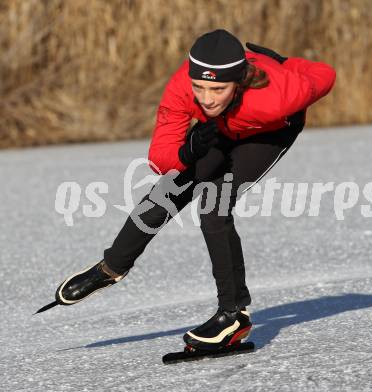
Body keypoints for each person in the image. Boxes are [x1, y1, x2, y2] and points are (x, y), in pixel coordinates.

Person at [52, 29, 336, 351]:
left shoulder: (278, 95)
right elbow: (159, 162)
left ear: (238, 81)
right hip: (220, 129)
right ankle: (111, 267)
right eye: (199, 87)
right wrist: (187, 153)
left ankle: (233, 314)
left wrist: (283, 62)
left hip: (266, 133)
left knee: (213, 209)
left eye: (217, 88)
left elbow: (326, 75)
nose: (207, 97)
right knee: (167, 191)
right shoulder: (181, 89)